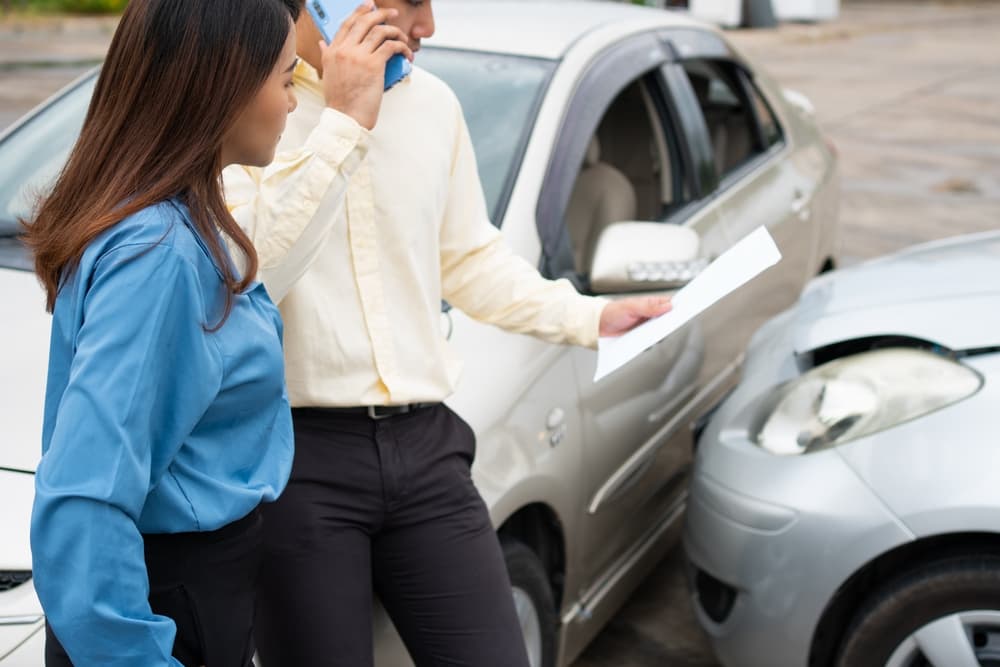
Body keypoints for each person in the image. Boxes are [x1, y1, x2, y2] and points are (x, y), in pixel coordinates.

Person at [223, 2, 672, 665]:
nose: (428, 25)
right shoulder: (250, 109)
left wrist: (590, 317)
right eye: (411, 2)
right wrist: (345, 121)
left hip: (426, 448)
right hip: (297, 461)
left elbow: (468, 258)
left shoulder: (434, 105)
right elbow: (252, 271)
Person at [23, 1, 410, 665]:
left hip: (190, 588)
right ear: (222, 89)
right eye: (287, 80)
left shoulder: (168, 223)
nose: (292, 105)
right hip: (163, 603)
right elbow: (84, 498)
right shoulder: (159, 252)